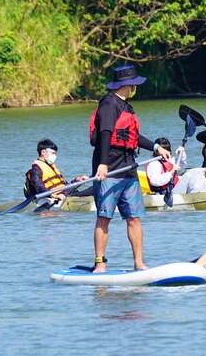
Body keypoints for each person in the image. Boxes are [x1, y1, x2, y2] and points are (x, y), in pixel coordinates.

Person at [90, 64, 170, 273]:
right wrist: (103, 163)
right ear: (127, 85)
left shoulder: (127, 106)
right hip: (109, 170)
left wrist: (156, 147)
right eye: (134, 84)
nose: (136, 88)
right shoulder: (109, 104)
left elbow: (132, 137)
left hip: (129, 169)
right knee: (104, 216)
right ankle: (100, 263)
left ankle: (139, 263)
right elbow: (106, 133)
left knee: (134, 218)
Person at [24, 139, 90, 208]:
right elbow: (39, 187)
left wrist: (77, 180)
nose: (55, 156)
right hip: (56, 198)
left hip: (66, 194)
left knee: (95, 188)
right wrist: (53, 195)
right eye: (53, 153)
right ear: (43, 152)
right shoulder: (36, 169)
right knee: (94, 190)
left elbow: (64, 185)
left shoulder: (51, 166)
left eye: (55, 153)